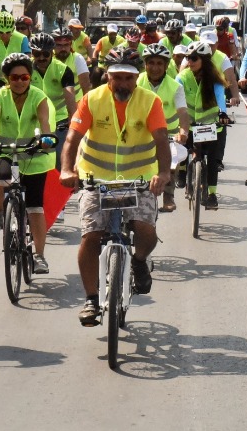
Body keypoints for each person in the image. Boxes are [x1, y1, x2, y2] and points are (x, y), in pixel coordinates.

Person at [59, 47, 171, 326]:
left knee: (146, 230)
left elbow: (161, 141)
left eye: (129, 78)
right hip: (97, 179)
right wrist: (66, 169)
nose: (123, 84)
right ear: (107, 75)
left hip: (139, 179)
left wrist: (164, 173)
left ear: (137, 78)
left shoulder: (150, 101)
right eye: (117, 77)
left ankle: (139, 260)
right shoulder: (91, 100)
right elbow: (72, 140)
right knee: (91, 236)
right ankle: (91, 300)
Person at [0, 53, 55, 277]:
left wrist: (46, 139)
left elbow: (45, 123)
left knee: (34, 207)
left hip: (34, 154)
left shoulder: (39, 97)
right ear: (6, 79)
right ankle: (0, 212)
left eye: (24, 77)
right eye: (14, 78)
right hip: (3, 151)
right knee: (4, 179)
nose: (20, 81)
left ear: (30, 78)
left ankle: (39, 255)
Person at [177, 41, 230, 208]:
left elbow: (220, 96)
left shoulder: (214, 79)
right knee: (182, 149)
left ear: (204, 61)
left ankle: (212, 194)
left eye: (194, 58)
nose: (189, 62)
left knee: (213, 159)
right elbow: (175, 96)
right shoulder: (182, 77)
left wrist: (223, 113)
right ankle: (183, 172)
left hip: (210, 125)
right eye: (188, 58)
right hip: (189, 124)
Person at [138, 44, 189, 212]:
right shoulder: (137, 82)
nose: (155, 68)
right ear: (145, 64)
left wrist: (183, 132)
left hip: (169, 134)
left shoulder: (176, 87)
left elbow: (182, 112)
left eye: (160, 63)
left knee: (171, 160)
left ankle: (168, 195)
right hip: (141, 132)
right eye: (151, 63)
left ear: (167, 65)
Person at [29, 33, 77, 173]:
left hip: (58, 121)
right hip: (32, 119)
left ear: (52, 52)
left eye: (45, 54)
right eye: (37, 54)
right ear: (32, 52)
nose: (41, 58)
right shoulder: (25, 68)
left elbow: (71, 102)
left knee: (57, 161)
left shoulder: (63, 70)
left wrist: (73, 124)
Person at [52, 28, 91, 103]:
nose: (63, 48)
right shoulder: (48, 58)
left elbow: (86, 86)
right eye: (59, 45)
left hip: (76, 103)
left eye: (66, 45)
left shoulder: (77, 58)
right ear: (53, 46)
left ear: (71, 44)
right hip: (53, 106)